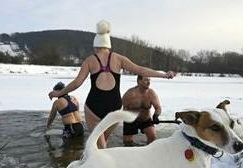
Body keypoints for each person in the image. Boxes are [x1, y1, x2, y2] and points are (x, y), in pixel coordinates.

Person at [49, 20, 176, 148]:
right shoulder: (118, 58)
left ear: (96, 45)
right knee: (104, 143)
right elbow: (140, 70)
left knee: (100, 147)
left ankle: (98, 163)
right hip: (114, 106)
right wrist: (164, 74)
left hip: (94, 106)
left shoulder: (89, 60)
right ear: (108, 45)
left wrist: (58, 93)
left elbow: (77, 83)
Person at [122, 75, 162, 146]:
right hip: (131, 119)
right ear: (139, 81)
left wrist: (156, 115)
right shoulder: (130, 93)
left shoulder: (151, 93)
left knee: (152, 137)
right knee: (127, 142)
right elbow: (119, 105)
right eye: (146, 80)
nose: (149, 82)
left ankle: (147, 153)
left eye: (149, 80)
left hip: (145, 119)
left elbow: (158, 107)